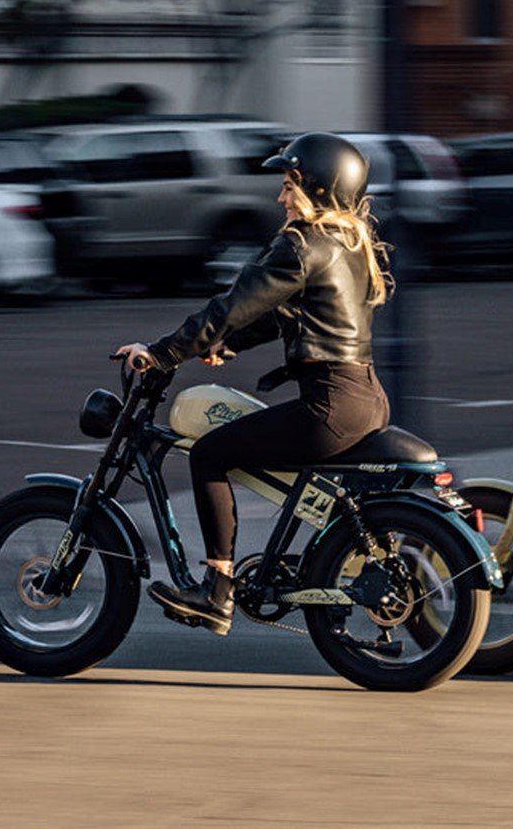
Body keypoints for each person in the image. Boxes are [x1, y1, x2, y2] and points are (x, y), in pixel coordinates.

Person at [115, 132, 393, 635]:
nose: (281, 197)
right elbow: (286, 315)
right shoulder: (349, 243)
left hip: (329, 406)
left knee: (209, 454)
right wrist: (229, 345)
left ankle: (217, 591)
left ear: (320, 191)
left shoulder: (301, 244)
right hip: (365, 398)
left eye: (290, 185)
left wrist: (160, 354)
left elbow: (233, 305)